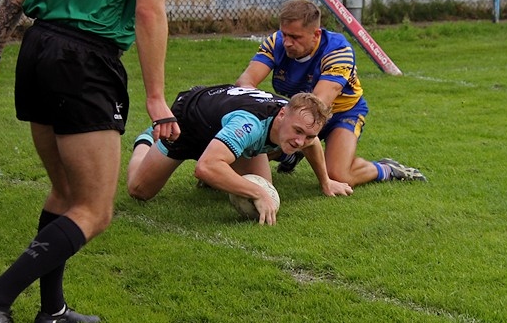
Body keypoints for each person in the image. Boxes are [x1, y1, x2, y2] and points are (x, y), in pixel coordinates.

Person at [0, 0, 181, 323]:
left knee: (64, 191)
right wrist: (156, 97)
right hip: (85, 62)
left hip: (37, 49)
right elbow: (149, 10)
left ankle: (52, 310)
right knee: (94, 210)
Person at [235, 0, 426, 187]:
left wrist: (290, 131)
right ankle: (293, 152)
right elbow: (244, 84)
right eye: (285, 34)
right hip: (299, 114)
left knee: (339, 175)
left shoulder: (337, 51)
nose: (287, 42)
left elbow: (317, 105)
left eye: (295, 37)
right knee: (242, 160)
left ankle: (387, 169)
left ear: (316, 34)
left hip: (341, 113)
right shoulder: (276, 42)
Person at [127, 84, 354, 225]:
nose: (300, 142)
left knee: (265, 190)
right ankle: (146, 141)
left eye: (308, 135)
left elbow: (312, 144)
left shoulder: (297, 116)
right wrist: (256, 192)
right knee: (139, 191)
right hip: (191, 122)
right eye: (297, 132)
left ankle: (221, 164)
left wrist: (326, 182)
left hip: (226, 126)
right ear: (282, 115)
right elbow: (204, 168)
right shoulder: (250, 124)